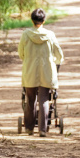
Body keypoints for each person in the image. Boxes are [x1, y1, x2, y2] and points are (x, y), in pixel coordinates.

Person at [18, 8, 64, 136]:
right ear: (44, 20)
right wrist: (56, 62)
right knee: (44, 99)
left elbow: (21, 53)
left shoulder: (26, 34)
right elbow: (59, 53)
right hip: (46, 71)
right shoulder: (50, 35)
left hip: (30, 70)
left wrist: (28, 60)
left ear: (32, 20)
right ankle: (43, 130)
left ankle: (29, 128)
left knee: (30, 99)